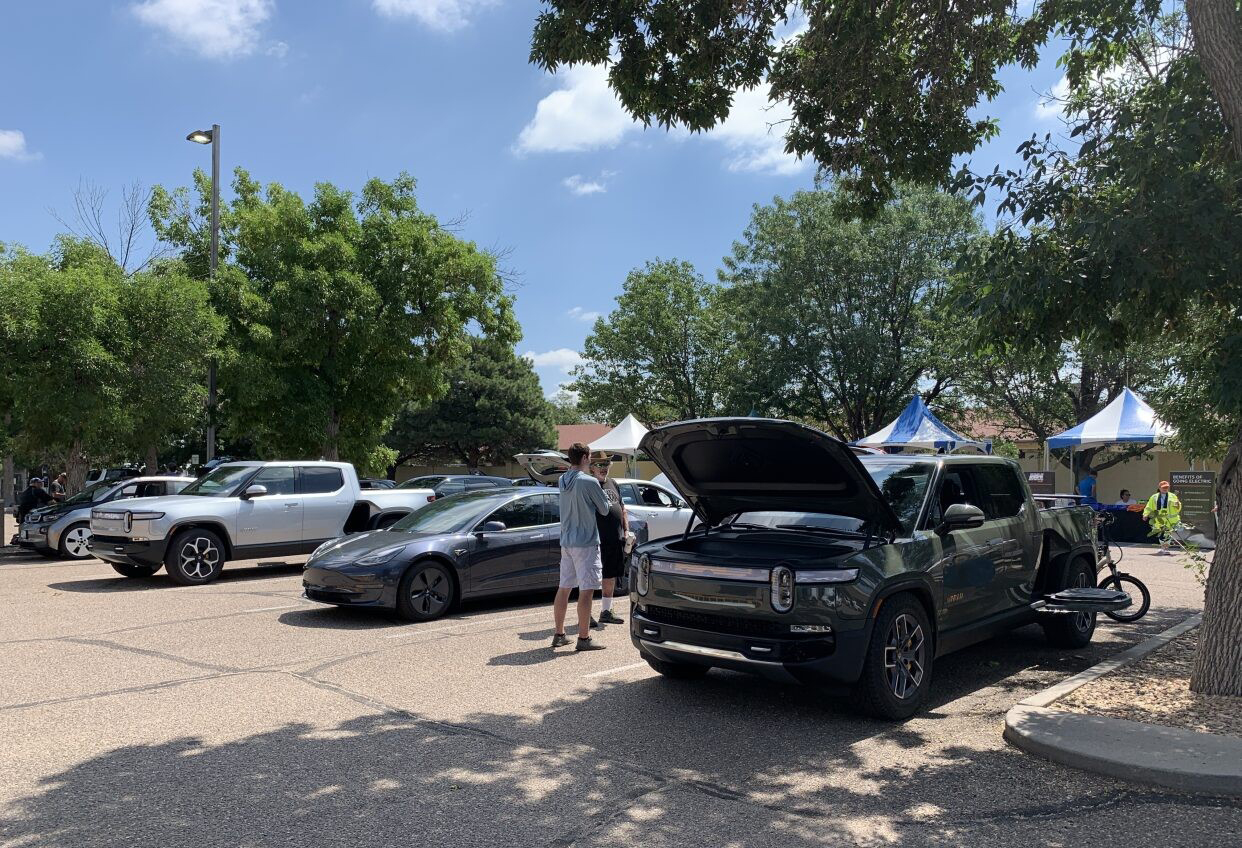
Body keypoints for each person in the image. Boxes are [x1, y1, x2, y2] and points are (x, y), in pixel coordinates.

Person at [552, 442, 610, 651]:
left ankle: (559, 634)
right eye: (590, 457)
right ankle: (584, 638)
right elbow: (604, 510)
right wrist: (599, 483)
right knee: (586, 591)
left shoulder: (562, 479)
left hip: (566, 541)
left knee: (564, 587)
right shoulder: (589, 482)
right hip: (586, 542)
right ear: (585, 458)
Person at [589, 451, 628, 626]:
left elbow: (622, 507)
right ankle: (586, 614)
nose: (604, 468)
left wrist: (626, 531)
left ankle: (606, 611)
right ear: (591, 468)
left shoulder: (613, 483)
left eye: (606, 464)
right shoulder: (589, 486)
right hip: (595, 541)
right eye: (600, 465)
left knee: (610, 575)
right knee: (590, 578)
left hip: (614, 538)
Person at [1142, 480, 1183, 553]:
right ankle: (1163, 548)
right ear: (1159, 488)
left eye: (1167, 487)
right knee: (1161, 534)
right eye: (1163, 487)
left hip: (1170, 519)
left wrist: (1177, 505)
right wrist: (1145, 514)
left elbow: (1179, 507)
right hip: (1159, 519)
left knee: (1167, 534)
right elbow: (1149, 507)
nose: (1165, 489)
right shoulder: (1154, 497)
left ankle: (1164, 549)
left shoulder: (1173, 496)